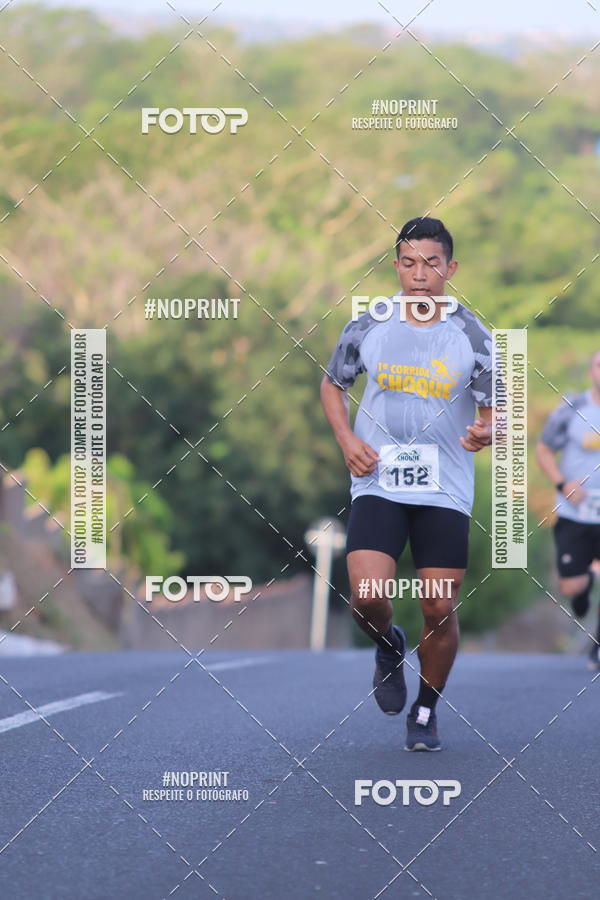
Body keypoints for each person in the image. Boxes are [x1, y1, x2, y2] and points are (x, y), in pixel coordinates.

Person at [320, 216, 494, 751]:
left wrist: (487, 430)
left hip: (443, 488)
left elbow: (496, 410)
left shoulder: (474, 335)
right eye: (410, 262)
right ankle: (389, 645)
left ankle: (425, 709)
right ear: (397, 265)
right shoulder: (369, 324)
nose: (420, 274)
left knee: (439, 606)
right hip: (378, 480)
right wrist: (348, 439)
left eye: (432, 263)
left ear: (451, 268)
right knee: (368, 596)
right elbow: (332, 385)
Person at [536, 351, 600, 669]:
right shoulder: (573, 408)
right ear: (592, 370)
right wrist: (562, 484)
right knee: (571, 586)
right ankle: (584, 584)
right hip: (576, 512)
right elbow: (544, 449)